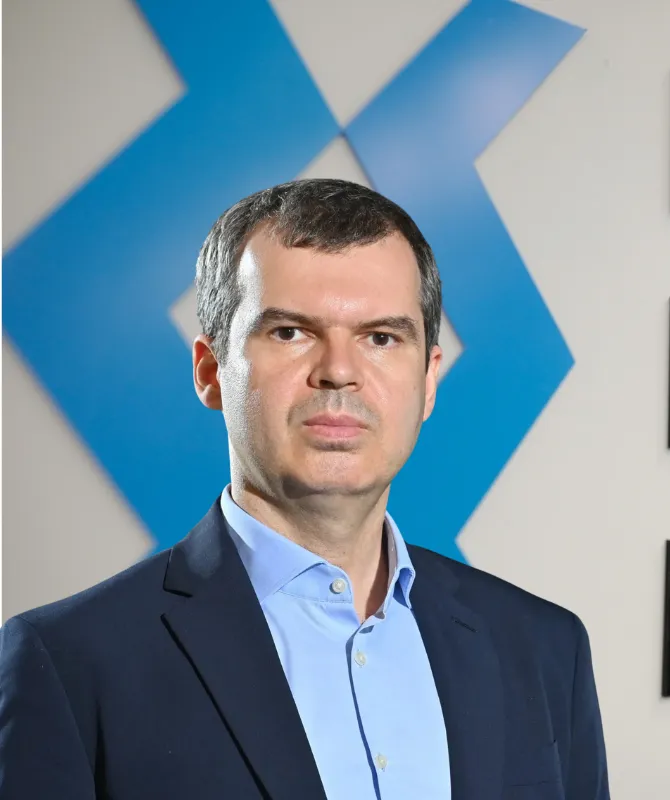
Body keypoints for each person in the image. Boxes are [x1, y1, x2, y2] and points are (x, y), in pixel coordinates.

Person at [0, 178, 609, 800]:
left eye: (381, 337)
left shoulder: (544, 649)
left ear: (429, 381)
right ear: (210, 372)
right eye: (290, 332)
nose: (339, 372)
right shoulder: (67, 664)